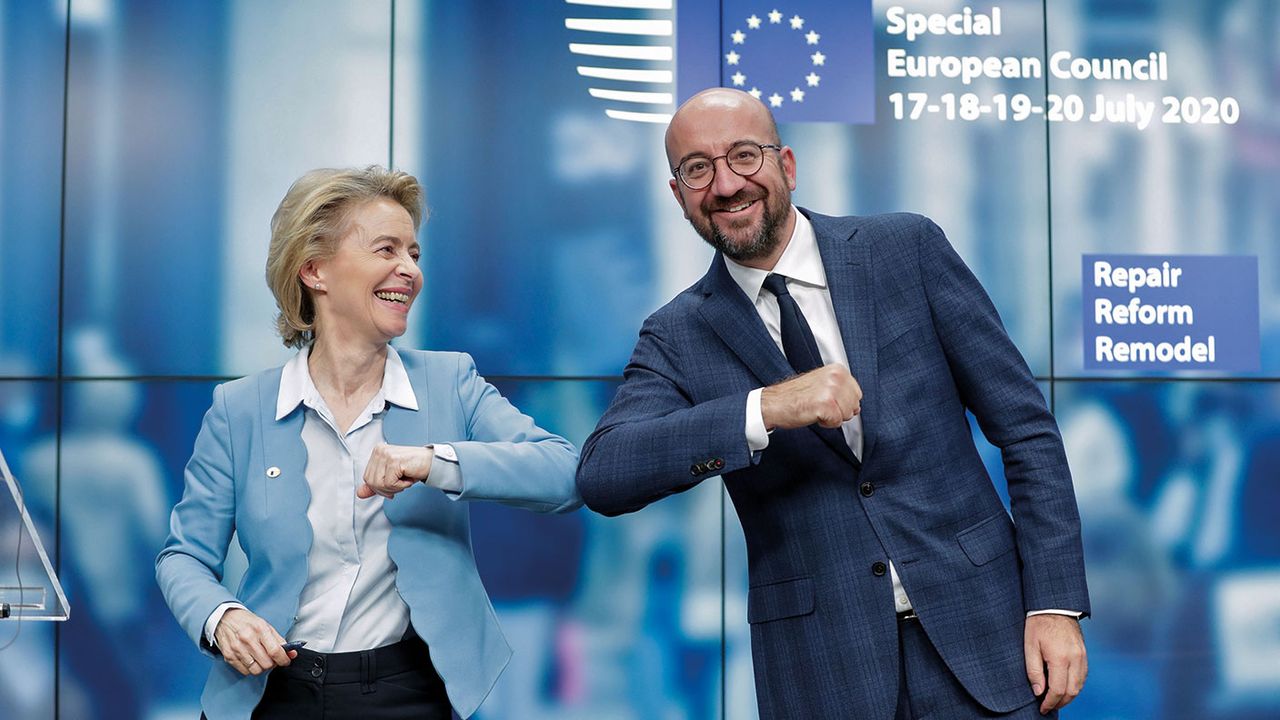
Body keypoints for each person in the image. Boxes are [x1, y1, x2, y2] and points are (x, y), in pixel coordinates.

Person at [576, 88, 1090, 719]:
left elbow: (1026, 430)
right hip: (822, 674)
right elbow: (604, 473)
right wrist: (762, 409)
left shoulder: (907, 250)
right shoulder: (677, 334)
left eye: (744, 156)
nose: (726, 184)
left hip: (989, 640)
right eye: (697, 169)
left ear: (786, 165)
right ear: (680, 196)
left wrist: (1054, 604)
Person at [156, 166, 581, 720]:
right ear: (315, 270)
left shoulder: (451, 381)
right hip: (270, 692)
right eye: (387, 250)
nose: (409, 270)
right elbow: (183, 556)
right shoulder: (240, 410)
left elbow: (564, 473)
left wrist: (436, 461)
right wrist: (221, 617)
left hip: (408, 691)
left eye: (414, 253)